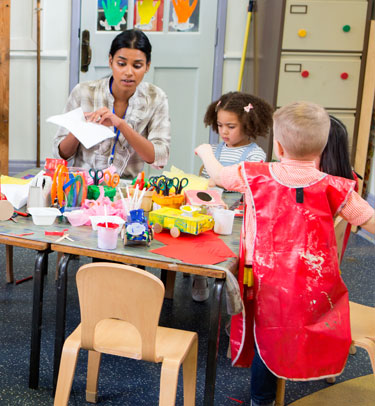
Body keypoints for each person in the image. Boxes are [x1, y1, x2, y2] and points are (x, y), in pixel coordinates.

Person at [195, 101, 375, 406]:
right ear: (321, 149)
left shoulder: (254, 175)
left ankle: (261, 400)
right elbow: (369, 219)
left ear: (278, 146)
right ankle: (306, 368)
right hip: (314, 286)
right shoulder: (337, 186)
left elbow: (221, 176)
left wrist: (205, 152)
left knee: (267, 335)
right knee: (304, 327)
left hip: (267, 284)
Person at [53, 29, 171, 179]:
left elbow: (160, 157)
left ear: (147, 66)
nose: (128, 72)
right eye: (121, 64)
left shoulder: (156, 98)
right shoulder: (83, 92)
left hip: (127, 190)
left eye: (137, 66)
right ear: (110, 61)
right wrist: (79, 128)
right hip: (82, 185)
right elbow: (60, 154)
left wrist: (121, 125)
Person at [193, 92, 273, 302]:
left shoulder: (256, 155)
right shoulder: (215, 150)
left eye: (231, 126)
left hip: (238, 216)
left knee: (232, 251)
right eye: (220, 126)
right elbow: (206, 181)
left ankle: (231, 286)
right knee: (198, 240)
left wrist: (216, 178)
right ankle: (199, 274)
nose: (224, 132)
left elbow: (238, 182)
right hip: (211, 210)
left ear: (248, 124)